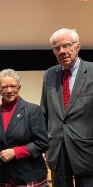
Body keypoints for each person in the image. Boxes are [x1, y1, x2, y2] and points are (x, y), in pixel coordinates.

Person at [40, 28, 93, 187]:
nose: (62, 51)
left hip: (87, 151)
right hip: (57, 151)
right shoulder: (49, 74)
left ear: (78, 46)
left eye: (66, 46)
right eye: (57, 48)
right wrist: (45, 146)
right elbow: (44, 112)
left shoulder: (91, 71)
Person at [0, 69, 49, 187]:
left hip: (29, 177)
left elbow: (42, 143)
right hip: (2, 178)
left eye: (13, 86)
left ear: (19, 87)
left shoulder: (33, 110)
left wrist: (15, 152)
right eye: (4, 87)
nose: (9, 90)